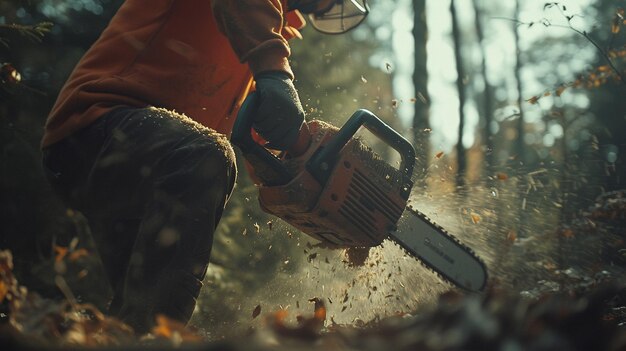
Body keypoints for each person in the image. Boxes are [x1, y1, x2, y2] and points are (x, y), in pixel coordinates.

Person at [41, 0, 369, 333]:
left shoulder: (260, 34)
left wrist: (299, 166)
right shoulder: (258, 32)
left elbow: (259, 125)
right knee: (207, 156)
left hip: (150, 165)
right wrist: (274, 73)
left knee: (138, 313)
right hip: (93, 129)